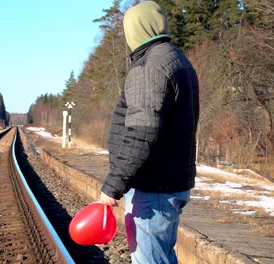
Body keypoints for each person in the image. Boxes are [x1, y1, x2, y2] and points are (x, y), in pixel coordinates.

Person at [99, 1, 199, 263]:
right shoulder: (177, 59)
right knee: (162, 256)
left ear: (135, 30)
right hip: (171, 181)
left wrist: (112, 186)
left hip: (153, 185)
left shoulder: (149, 67)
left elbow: (141, 133)